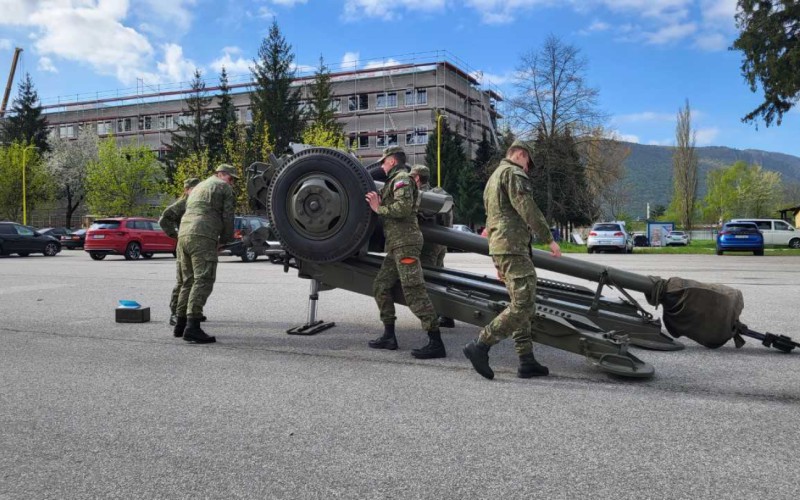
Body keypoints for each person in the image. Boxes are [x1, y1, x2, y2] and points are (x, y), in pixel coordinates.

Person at [463, 140, 562, 380]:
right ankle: (480, 345)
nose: (527, 168)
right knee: (524, 304)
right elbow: (526, 206)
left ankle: (526, 360)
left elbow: (491, 220)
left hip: (502, 248)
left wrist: (497, 260)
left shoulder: (492, 179)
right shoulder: (513, 173)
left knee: (519, 303)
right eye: (528, 162)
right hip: (513, 248)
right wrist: (548, 238)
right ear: (520, 154)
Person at [365, 146, 445, 359]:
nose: (382, 166)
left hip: (406, 243)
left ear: (392, 161)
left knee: (413, 290)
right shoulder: (394, 181)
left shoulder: (402, 179)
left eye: (384, 162)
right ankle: (389, 335)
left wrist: (378, 208)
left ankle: (436, 342)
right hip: (396, 245)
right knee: (381, 286)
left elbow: (402, 208)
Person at [173, 164, 238, 343]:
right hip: (203, 235)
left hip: (184, 235)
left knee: (188, 281)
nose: (232, 183)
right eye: (231, 178)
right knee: (203, 279)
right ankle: (193, 327)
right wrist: (225, 239)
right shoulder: (223, 187)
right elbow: (228, 216)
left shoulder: (199, 186)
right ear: (221, 174)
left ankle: (180, 324)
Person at [409, 164, 456, 328]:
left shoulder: (423, 197)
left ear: (417, 178)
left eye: (411, 177)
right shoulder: (439, 194)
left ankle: (432, 318)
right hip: (441, 243)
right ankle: (447, 315)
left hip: (428, 245)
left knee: (428, 281)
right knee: (440, 279)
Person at [159, 177, 201, 329]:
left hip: (196, 245)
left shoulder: (197, 203)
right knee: (183, 280)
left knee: (196, 280)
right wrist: (175, 235)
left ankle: (191, 311)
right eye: (194, 189)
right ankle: (175, 313)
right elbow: (164, 219)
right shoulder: (182, 204)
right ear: (187, 189)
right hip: (184, 245)